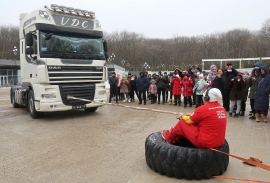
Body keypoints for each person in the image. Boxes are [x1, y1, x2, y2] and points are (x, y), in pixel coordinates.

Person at [161, 88, 227, 148]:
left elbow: (189, 121)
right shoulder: (222, 108)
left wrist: (182, 115)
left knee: (182, 123)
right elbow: (207, 119)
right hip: (219, 142)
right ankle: (175, 132)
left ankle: (170, 138)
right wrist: (192, 115)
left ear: (207, 98)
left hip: (205, 143)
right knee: (195, 123)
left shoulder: (202, 109)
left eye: (203, 96)